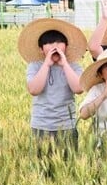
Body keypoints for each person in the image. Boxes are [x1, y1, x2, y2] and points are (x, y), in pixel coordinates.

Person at [18, 18, 87, 158]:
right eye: (48, 43)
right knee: (41, 166)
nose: (54, 46)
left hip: (67, 125)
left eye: (59, 42)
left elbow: (79, 88)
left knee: (68, 165)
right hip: (41, 125)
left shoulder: (73, 66)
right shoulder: (35, 66)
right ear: (41, 49)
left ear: (66, 47)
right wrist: (47, 64)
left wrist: (64, 64)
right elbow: (34, 90)